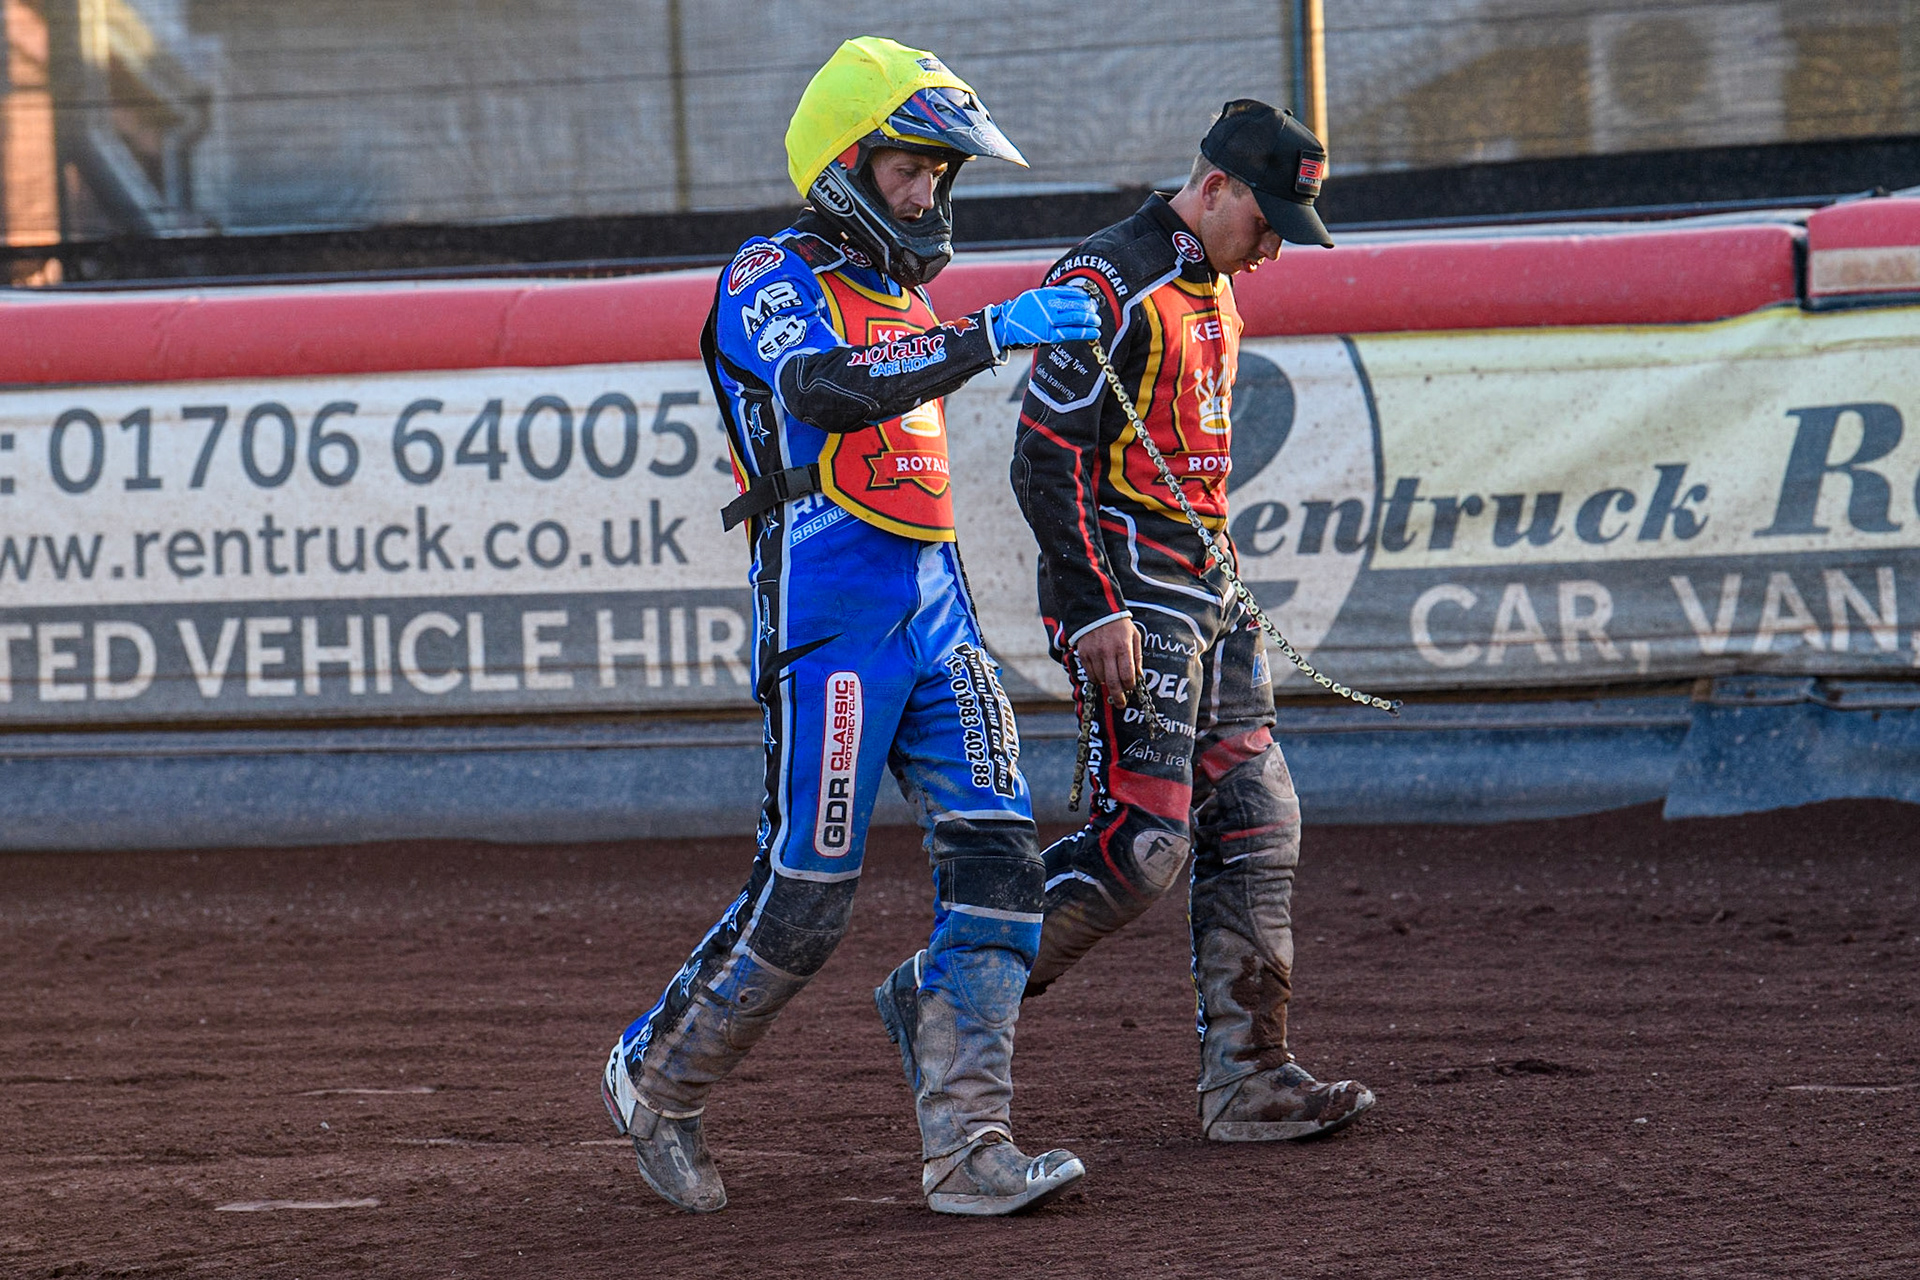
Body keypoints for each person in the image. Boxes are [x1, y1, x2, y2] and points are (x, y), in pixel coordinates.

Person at [600, 36, 1100, 1216]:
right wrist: (989, 334)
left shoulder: (904, 293)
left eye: (939, 171)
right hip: (827, 618)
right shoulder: (767, 271)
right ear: (844, 166)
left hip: (937, 607)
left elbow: (901, 398)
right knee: (811, 892)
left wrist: (968, 331)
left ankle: (969, 1147)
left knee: (1004, 861)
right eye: (907, 168)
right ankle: (658, 1076)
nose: (929, 192)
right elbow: (824, 390)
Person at [989, 99, 1375, 1142]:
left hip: (1212, 593)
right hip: (1132, 597)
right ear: (1216, 189)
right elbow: (1043, 456)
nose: (1274, 253)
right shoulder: (1107, 277)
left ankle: (1252, 1081)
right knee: (1141, 845)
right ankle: (950, 992)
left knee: (1257, 816)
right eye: (1268, 227)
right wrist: (1094, 602)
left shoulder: (1209, 279)